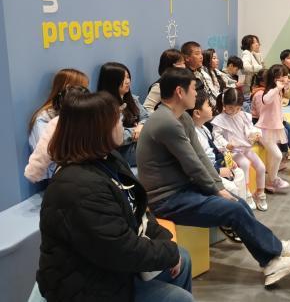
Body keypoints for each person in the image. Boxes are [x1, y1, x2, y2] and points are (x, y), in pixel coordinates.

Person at [136, 68, 290, 286]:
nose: (196, 94)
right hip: (167, 200)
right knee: (233, 209)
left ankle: (275, 249)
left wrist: (219, 187)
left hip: (183, 189)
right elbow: (193, 165)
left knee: (238, 202)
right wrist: (217, 190)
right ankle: (272, 261)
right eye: (193, 89)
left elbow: (200, 157)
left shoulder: (182, 118)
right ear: (180, 92)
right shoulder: (166, 122)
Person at [37, 90, 193, 302]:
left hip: (110, 267)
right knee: (179, 298)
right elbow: (120, 249)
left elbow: (138, 209)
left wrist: (164, 241)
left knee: (183, 257)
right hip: (86, 286)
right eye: (117, 120)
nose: (123, 124)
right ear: (97, 130)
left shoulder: (109, 159)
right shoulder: (78, 187)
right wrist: (168, 252)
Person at [212, 88, 268, 210]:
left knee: (261, 167)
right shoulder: (219, 119)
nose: (234, 111)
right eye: (231, 108)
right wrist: (226, 144)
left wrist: (254, 134)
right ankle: (246, 192)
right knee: (245, 164)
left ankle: (260, 192)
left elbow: (250, 128)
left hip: (246, 148)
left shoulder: (243, 115)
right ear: (224, 104)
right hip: (232, 151)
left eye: (238, 108)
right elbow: (216, 136)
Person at [188, 91, 247, 202]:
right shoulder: (193, 134)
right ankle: (237, 207)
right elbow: (198, 163)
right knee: (232, 188)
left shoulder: (204, 128)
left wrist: (227, 160)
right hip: (210, 172)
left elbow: (214, 150)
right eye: (208, 105)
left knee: (240, 173)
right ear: (197, 113)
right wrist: (218, 171)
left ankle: (243, 204)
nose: (212, 107)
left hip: (217, 165)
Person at [24, 86, 89, 183]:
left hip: (69, 174)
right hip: (88, 170)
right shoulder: (95, 121)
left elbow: (43, 152)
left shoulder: (57, 123)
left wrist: (33, 173)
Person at [254, 65, 290, 192]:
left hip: (274, 128)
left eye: (284, 75)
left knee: (272, 156)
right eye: (279, 76)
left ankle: (270, 183)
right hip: (264, 129)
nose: (283, 78)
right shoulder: (267, 92)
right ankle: (273, 179)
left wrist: (285, 84)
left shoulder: (278, 91)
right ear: (273, 78)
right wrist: (278, 87)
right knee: (278, 155)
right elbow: (266, 100)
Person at [97, 62, 149, 167]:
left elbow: (146, 116)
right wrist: (135, 131)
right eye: (123, 78)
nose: (128, 81)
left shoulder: (131, 98)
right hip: (121, 152)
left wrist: (141, 126)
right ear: (112, 81)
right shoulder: (103, 105)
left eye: (128, 77)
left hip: (138, 143)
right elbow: (113, 137)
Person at [251, 68, 290, 165]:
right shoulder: (261, 94)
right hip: (260, 122)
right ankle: (284, 155)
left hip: (269, 120)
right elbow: (262, 114)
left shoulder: (273, 91)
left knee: (287, 125)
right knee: (283, 130)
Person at [28, 68, 89, 151]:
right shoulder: (44, 119)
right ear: (67, 90)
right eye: (81, 90)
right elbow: (46, 153)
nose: (84, 95)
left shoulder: (75, 114)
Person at [144, 49, 185, 113]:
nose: (184, 66)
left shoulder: (179, 82)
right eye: (181, 63)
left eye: (183, 63)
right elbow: (147, 108)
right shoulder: (159, 86)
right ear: (172, 66)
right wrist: (162, 117)